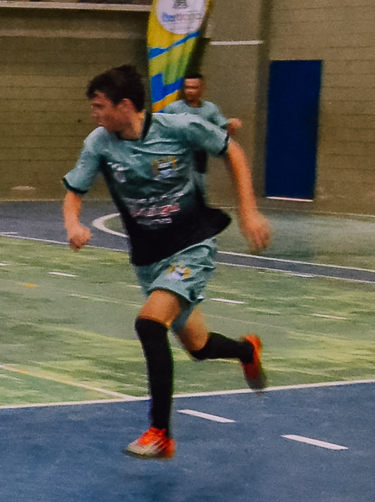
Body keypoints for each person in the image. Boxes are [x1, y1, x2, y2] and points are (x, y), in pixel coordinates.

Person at [62, 64, 270, 459]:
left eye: (100, 106)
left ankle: (160, 432)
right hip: (148, 259)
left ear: (125, 105)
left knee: (149, 323)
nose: (95, 114)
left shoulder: (177, 127)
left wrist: (248, 211)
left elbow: (233, 150)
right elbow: (75, 190)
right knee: (199, 345)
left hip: (191, 246)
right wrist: (73, 224)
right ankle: (248, 351)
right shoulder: (100, 143)